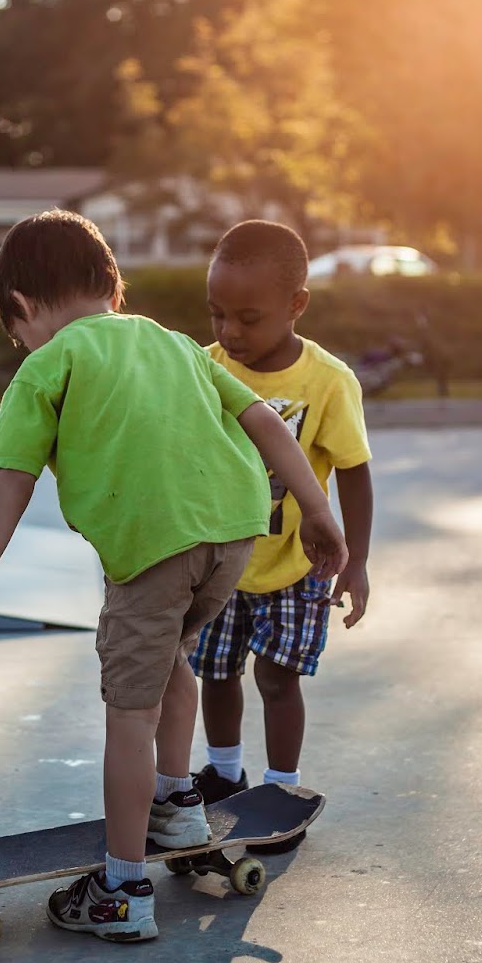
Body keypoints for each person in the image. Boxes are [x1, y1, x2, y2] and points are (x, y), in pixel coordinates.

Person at [0, 210, 348, 942]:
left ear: (21, 309)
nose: (20, 343)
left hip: (155, 547)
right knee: (169, 662)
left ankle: (121, 889)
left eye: (14, 331)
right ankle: (178, 807)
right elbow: (267, 423)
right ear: (115, 289)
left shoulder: (48, 363)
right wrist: (317, 509)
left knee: (129, 711)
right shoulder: (175, 342)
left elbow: (11, 480)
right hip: (233, 534)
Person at [189, 222, 373, 856]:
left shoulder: (326, 381)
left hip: (297, 563)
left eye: (248, 317)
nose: (230, 332)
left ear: (297, 305)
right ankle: (223, 772)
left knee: (277, 677)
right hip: (219, 563)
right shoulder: (204, 369)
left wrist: (358, 563)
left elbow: (353, 469)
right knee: (216, 672)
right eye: (217, 314)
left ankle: (282, 790)